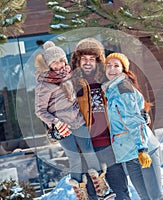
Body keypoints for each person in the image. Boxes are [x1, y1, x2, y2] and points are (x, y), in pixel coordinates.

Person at [34, 41, 115, 200]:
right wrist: (55, 123)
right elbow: (40, 111)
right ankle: (81, 192)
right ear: (48, 64)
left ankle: (101, 186)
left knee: (89, 151)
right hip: (63, 127)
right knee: (75, 158)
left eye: (60, 60)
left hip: (78, 121)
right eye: (54, 62)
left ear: (65, 60)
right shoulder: (44, 85)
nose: (58, 65)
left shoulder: (71, 76)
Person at [102, 52, 163, 200]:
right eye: (109, 65)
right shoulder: (111, 91)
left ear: (123, 70)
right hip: (129, 153)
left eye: (116, 66)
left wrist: (142, 148)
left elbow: (134, 121)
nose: (112, 69)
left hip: (143, 149)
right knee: (145, 197)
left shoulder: (123, 88)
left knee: (156, 197)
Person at [71, 38, 131, 200]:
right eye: (84, 59)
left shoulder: (107, 80)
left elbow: (131, 99)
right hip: (85, 148)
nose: (88, 63)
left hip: (108, 145)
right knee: (92, 195)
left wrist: (141, 112)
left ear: (99, 61)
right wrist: (53, 129)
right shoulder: (71, 84)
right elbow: (56, 108)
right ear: (77, 60)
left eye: (92, 59)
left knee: (121, 192)